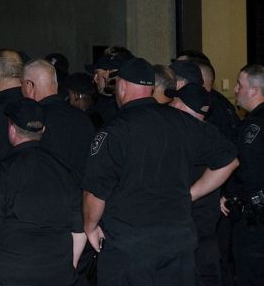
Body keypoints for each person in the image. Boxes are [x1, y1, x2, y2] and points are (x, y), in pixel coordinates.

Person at [82, 57, 238, 285]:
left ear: (122, 87)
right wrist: (191, 193)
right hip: (178, 249)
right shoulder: (182, 122)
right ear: (152, 88)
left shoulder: (114, 132)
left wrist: (90, 226)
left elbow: (96, 192)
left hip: (130, 251)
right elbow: (229, 160)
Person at [0, 98, 85, 285]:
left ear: (12, 130)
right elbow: (79, 228)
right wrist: (70, 265)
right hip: (56, 271)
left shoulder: (3, 171)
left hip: (13, 272)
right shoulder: (64, 170)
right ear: (43, 130)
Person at [169, 83, 229, 286]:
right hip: (204, 233)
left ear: (179, 105)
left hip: (186, 233)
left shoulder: (186, 134)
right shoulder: (211, 133)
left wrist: (190, 194)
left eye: (174, 101)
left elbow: (230, 161)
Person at [222, 64, 264, 285]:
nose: (235, 90)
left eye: (240, 84)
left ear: (254, 91)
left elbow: (245, 170)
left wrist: (229, 195)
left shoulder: (252, 128)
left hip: (253, 221)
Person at [21, 59, 94, 182]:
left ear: (29, 86)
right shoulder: (83, 118)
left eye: (21, 84)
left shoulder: (33, 120)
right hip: (79, 190)